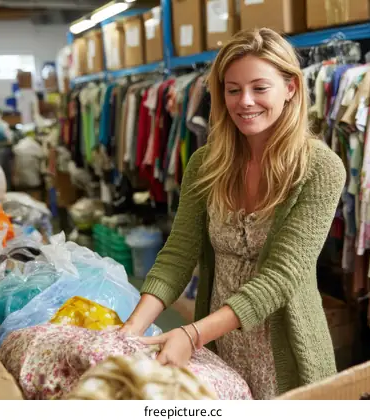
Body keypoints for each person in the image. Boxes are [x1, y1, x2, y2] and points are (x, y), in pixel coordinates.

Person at [121, 28, 346, 399]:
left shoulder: (320, 169)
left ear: (290, 87)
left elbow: (281, 277)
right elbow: (178, 254)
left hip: (285, 352)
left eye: (260, 88)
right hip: (218, 346)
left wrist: (191, 334)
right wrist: (131, 330)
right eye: (232, 89)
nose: (245, 102)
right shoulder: (205, 164)